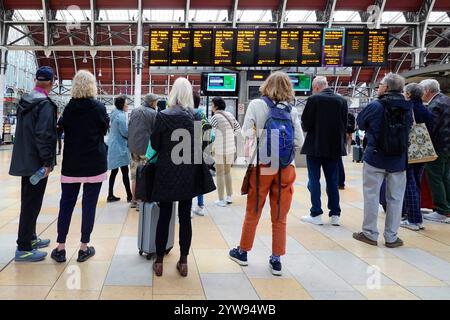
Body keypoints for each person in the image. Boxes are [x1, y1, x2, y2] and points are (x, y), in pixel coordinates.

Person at [228, 71, 303, 276]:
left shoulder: (256, 105)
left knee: (253, 211)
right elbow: (299, 141)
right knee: (280, 215)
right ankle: (276, 260)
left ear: (266, 85)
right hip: (286, 167)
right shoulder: (292, 110)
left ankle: (242, 252)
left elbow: (245, 134)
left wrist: (258, 144)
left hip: (263, 166)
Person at [151, 77, 215, 277]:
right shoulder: (197, 116)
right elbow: (204, 143)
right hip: (188, 173)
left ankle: (159, 261)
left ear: (173, 92)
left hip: (166, 172)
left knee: (164, 216)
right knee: (185, 217)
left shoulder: (162, 115)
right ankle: (184, 261)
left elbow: (154, 144)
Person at [50, 70, 109, 263]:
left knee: (66, 203)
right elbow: (103, 129)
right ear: (92, 86)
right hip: (94, 163)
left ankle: (60, 247)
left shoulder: (69, 108)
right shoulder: (99, 107)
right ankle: (84, 247)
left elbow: (60, 128)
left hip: (72, 164)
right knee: (89, 205)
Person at [353, 73, 412, 248]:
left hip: (375, 158)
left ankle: (370, 234)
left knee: (371, 195)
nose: (378, 87)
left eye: (380, 85)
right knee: (395, 198)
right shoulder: (407, 107)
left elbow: (361, 123)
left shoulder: (375, 105)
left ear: (386, 87)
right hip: (398, 160)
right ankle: (392, 237)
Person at [9, 66, 57, 262]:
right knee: (31, 205)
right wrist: (47, 162)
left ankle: (30, 237)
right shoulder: (44, 104)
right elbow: (43, 134)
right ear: (51, 82)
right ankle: (24, 248)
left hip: (25, 160)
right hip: (37, 163)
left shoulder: (26, 101)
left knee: (29, 202)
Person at [300, 76, 348, 226]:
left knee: (314, 180)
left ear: (315, 87)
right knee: (332, 181)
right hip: (334, 148)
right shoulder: (342, 101)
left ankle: (316, 213)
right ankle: (335, 215)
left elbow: (305, 124)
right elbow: (345, 124)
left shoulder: (314, 99)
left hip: (314, 147)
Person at [399, 83, 434, 231]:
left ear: (408, 94)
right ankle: (416, 218)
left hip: (410, 150)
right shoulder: (426, 110)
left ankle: (413, 219)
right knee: (417, 183)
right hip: (423, 151)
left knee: (409, 183)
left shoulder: (408, 108)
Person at [420, 79, 450, 223]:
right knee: (446, 176)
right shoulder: (447, 100)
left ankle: (441, 210)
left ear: (426, 91)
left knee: (435, 177)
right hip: (448, 147)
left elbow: (431, 128)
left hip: (437, 147)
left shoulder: (434, 105)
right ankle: (447, 208)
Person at [128, 93, 159, 209]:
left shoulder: (135, 111)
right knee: (143, 175)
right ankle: (141, 201)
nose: (156, 104)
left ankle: (133, 200)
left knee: (134, 174)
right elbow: (156, 132)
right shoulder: (153, 113)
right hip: (145, 149)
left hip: (133, 147)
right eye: (156, 101)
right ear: (152, 102)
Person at [209, 97, 241, 207]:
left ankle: (221, 200)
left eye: (212, 104)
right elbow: (238, 129)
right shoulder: (230, 115)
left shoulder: (215, 117)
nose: (211, 106)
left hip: (219, 150)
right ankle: (229, 197)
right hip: (231, 149)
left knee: (219, 174)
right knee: (227, 172)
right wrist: (231, 136)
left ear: (216, 106)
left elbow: (208, 132)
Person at [107, 95, 132, 203]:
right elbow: (125, 132)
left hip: (113, 144)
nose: (127, 105)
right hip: (119, 146)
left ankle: (110, 194)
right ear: (122, 105)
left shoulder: (114, 113)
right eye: (126, 103)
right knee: (125, 171)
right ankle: (129, 196)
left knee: (114, 171)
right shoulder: (121, 116)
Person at [191, 90, 212, 216]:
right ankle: (200, 206)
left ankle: (188, 208)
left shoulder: (189, 114)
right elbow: (211, 135)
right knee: (199, 177)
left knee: (188, 178)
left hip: (188, 152)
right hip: (203, 151)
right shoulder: (203, 115)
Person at [338, 112, 356, 189]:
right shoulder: (350, 116)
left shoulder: (338, 114)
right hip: (345, 135)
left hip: (338, 137)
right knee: (339, 160)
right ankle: (341, 182)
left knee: (337, 160)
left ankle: (339, 182)